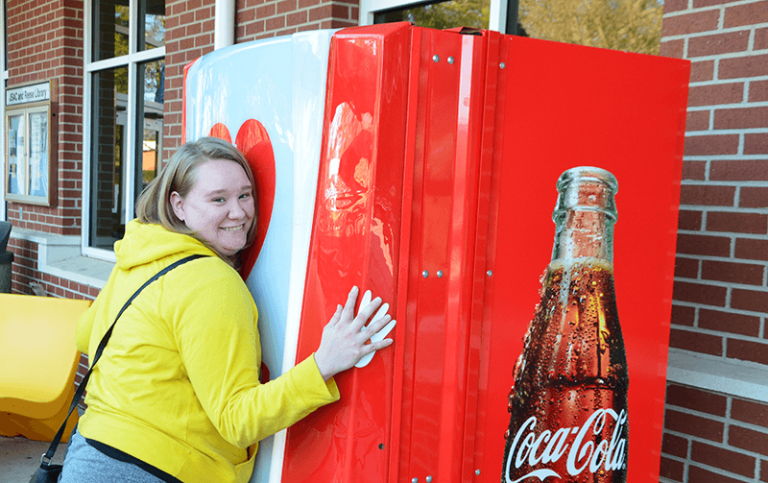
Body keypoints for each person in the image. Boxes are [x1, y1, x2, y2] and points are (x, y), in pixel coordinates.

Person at [59, 137, 394, 483]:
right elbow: (238, 420)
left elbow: (85, 335)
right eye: (218, 199)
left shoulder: (142, 253)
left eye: (245, 195)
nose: (238, 212)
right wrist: (324, 364)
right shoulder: (212, 280)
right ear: (178, 205)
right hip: (154, 470)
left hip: (88, 455)